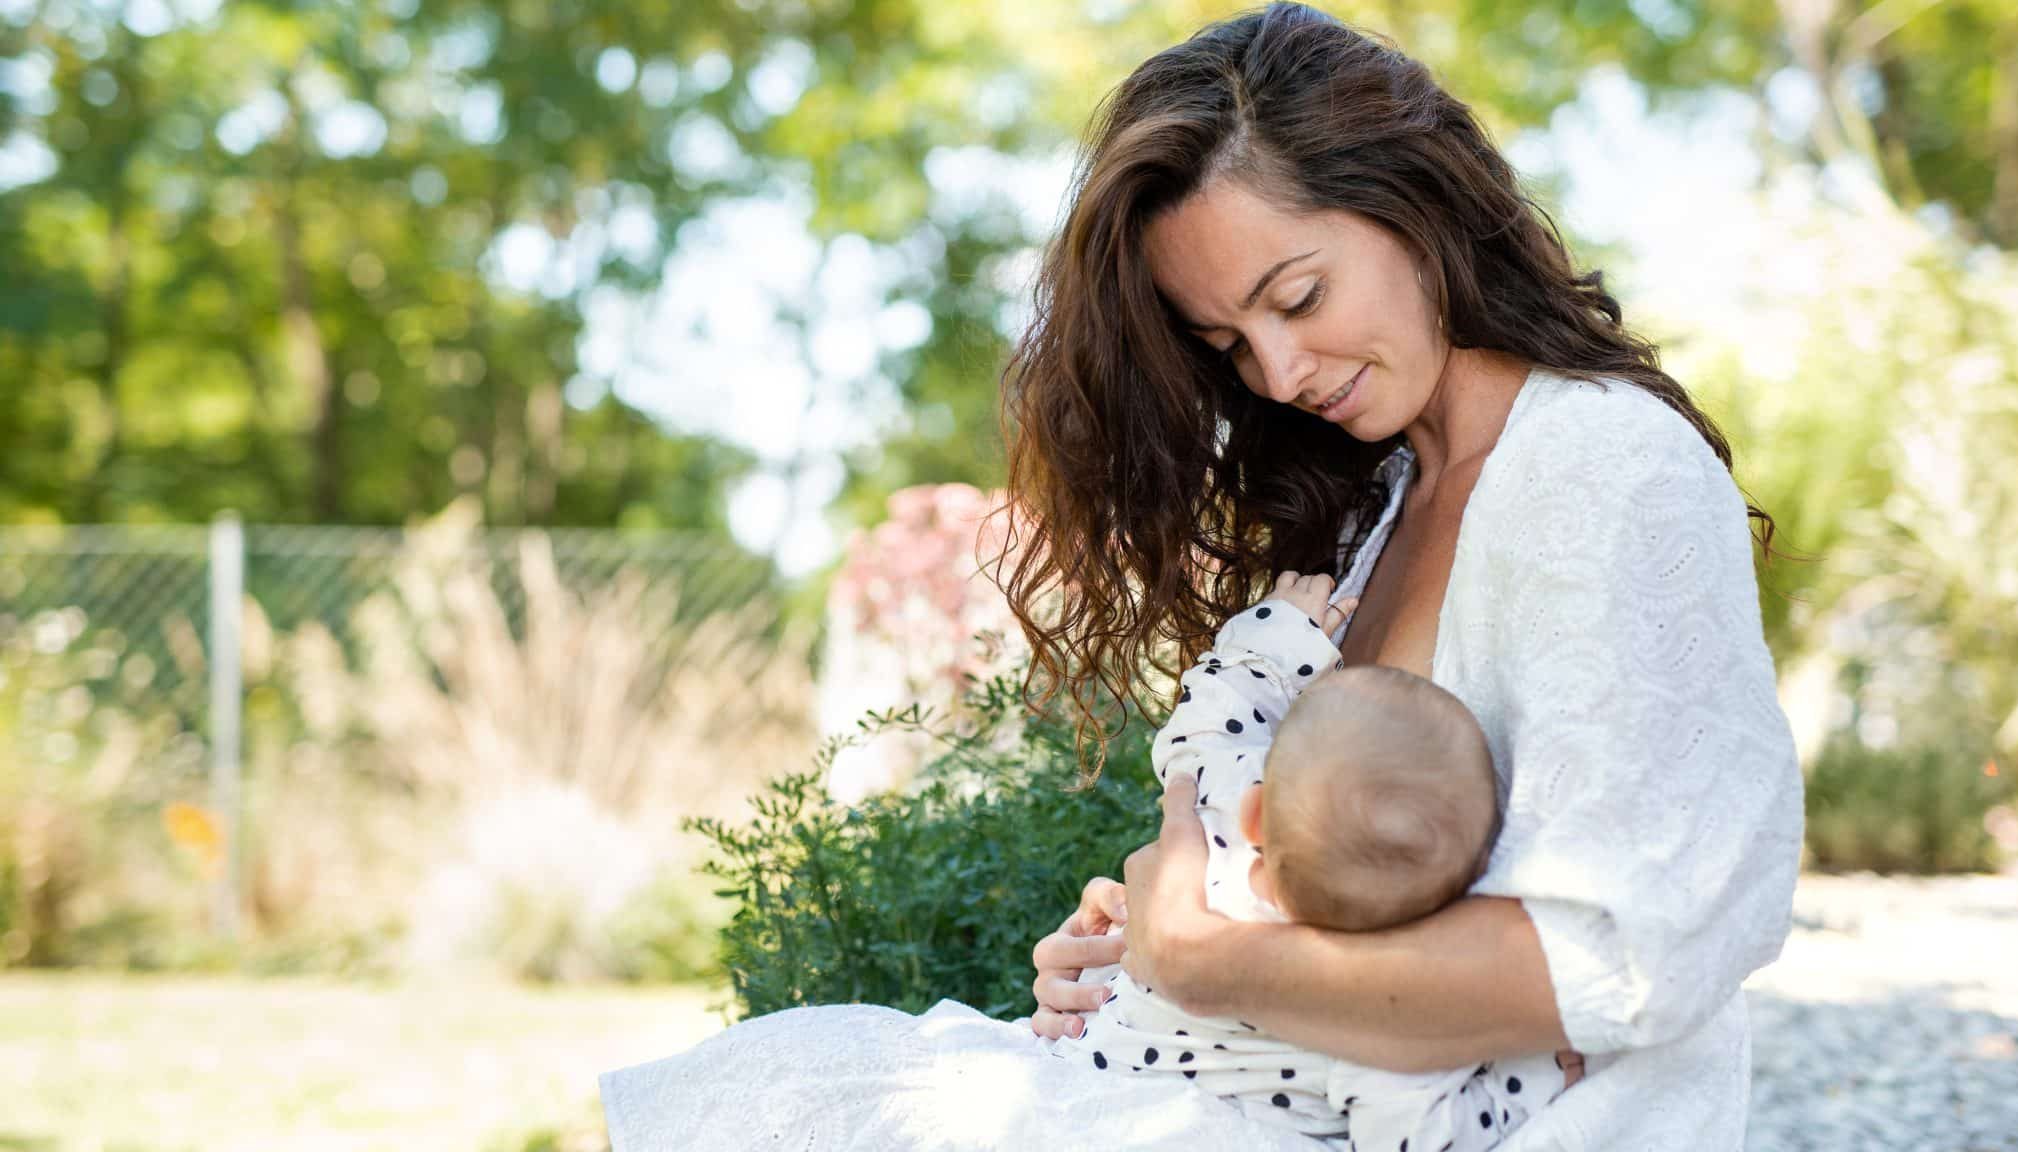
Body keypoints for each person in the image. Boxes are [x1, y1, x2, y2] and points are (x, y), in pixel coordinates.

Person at [599, 5, 1802, 1149]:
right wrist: (1134, 970)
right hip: (1294, 1102)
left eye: (1298, 296)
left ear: (1416, 204)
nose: (1276, 374)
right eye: (1227, 342)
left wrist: (1204, 959)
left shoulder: (1600, 470)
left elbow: (1626, 954)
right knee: (795, 1091)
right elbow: (1319, 883)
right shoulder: (1376, 505)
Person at [1048, 569, 1569, 1151]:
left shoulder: (1219, 812)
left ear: (1256, 814)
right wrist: (1533, 1073)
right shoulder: (1373, 1016)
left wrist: (1280, 634)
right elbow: (1417, 1137)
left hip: (1089, 1089)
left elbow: (1204, 726)